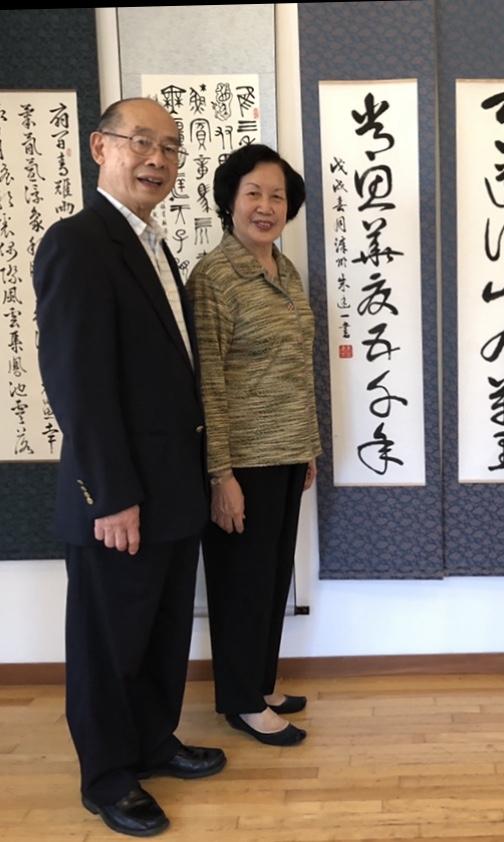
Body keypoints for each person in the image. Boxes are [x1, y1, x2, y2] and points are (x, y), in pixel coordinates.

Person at [33, 97, 226, 838]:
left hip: (171, 489)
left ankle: (151, 742)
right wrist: (110, 495)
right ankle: (108, 777)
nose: (157, 159)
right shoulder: (78, 243)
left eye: (170, 147)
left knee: (161, 631)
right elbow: (76, 383)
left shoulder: (151, 244)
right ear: (99, 147)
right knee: (108, 642)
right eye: (141, 142)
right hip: (118, 498)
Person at [187, 144, 321, 747]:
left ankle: (259, 683)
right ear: (230, 201)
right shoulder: (214, 277)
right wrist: (221, 475)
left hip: (288, 452)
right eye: (254, 194)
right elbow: (208, 383)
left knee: (270, 580)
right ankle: (241, 700)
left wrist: (308, 447)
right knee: (241, 583)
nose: (266, 207)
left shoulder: (283, 270)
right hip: (242, 460)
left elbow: (295, 365)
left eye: (277, 197)